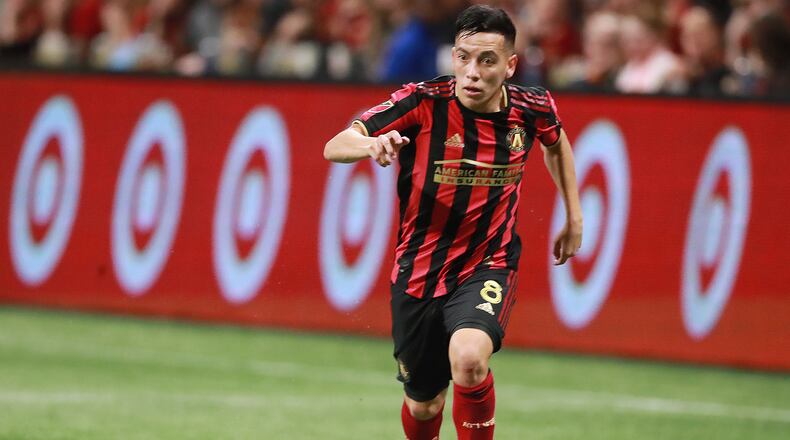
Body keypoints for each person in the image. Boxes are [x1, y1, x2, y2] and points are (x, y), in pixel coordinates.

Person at [324, 5, 582, 439]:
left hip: (488, 262)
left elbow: (555, 143)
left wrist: (573, 215)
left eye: (487, 60)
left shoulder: (531, 106)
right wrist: (370, 147)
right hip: (419, 270)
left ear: (510, 65)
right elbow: (336, 145)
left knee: (468, 358)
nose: (472, 72)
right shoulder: (422, 102)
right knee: (425, 405)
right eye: (463, 57)